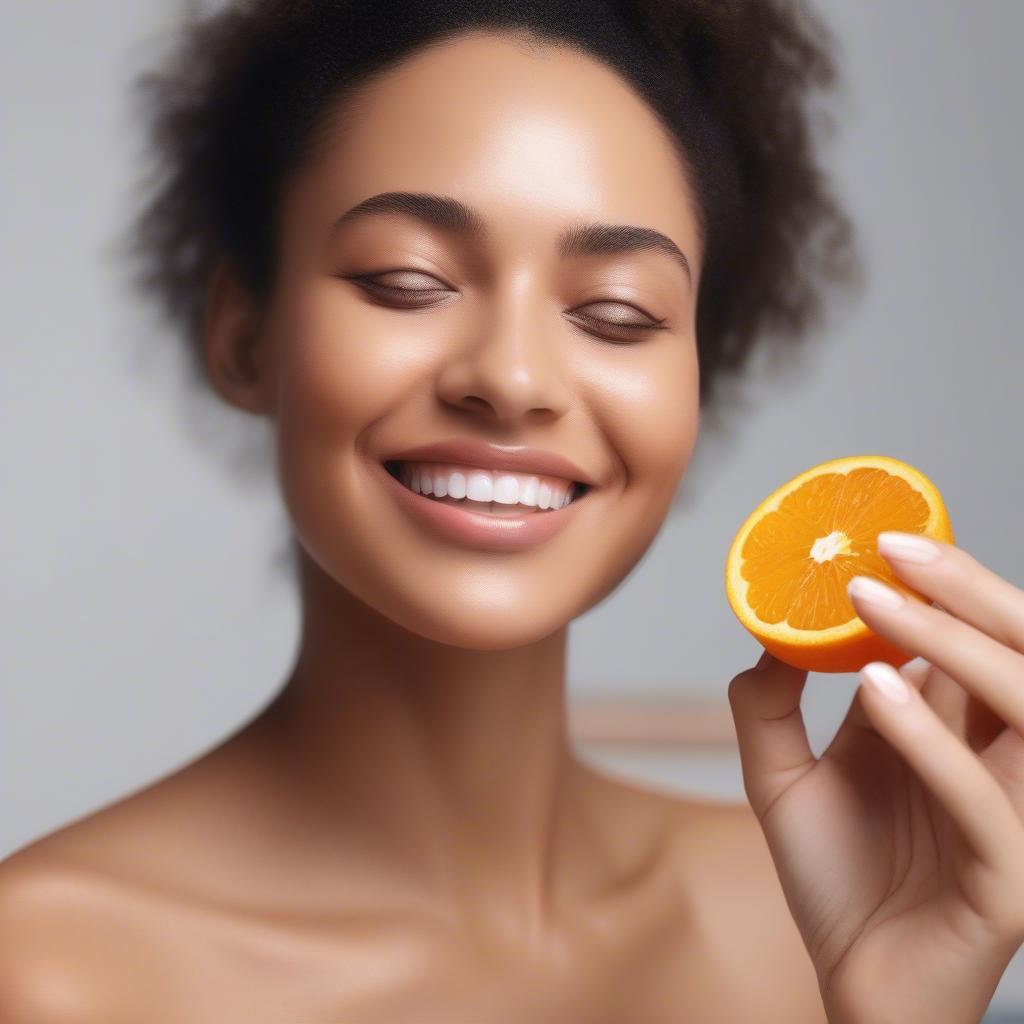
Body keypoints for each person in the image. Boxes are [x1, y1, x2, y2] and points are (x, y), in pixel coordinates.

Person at [3, 1, 1023, 1020]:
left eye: (617, 314)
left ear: (696, 379)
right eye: (406, 281)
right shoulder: (51, 969)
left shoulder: (820, 924)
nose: (514, 375)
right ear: (243, 336)